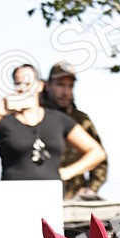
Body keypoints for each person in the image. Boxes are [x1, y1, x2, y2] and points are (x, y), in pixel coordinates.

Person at [0, 63, 105, 185]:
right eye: (18, 83)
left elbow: (97, 152)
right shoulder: (4, 122)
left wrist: (65, 173)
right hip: (13, 196)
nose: (23, 88)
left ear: (40, 85)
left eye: (28, 83)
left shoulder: (58, 119)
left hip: (51, 196)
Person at [41, 61, 108, 200]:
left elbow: (100, 160)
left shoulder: (81, 121)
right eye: (60, 84)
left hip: (73, 198)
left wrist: (91, 189)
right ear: (47, 85)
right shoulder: (35, 117)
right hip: (40, 193)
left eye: (70, 86)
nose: (65, 92)